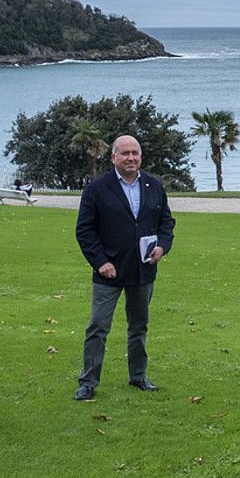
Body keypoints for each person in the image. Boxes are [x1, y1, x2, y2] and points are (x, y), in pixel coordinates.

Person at [74, 135, 176, 400]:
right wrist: (100, 262)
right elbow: (85, 231)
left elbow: (166, 223)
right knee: (98, 327)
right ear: (113, 158)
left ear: (140, 156)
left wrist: (162, 247)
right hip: (109, 271)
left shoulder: (153, 186)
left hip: (143, 270)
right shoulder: (97, 189)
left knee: (139, 326)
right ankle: (88, 381)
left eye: (135, 153)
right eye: (125, 153)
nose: (131, 158)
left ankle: (138, 376)